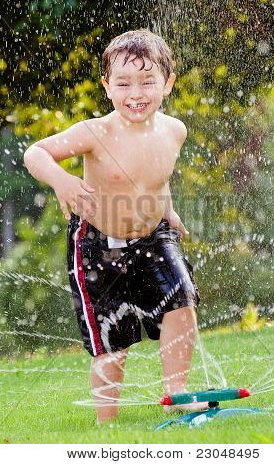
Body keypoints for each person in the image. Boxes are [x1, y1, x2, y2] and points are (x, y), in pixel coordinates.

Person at [24, 28, 208, 424]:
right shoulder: (97, 132)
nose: (135, 93)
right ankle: (106, 424)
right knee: (112, 338)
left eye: (147, 81)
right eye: (123, 83)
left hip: (154, 235)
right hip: (96, 244)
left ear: (168, 83)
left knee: (182, 299)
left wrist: (169, 211)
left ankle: (177, 392)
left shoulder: (174, 131)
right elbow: (35, 152)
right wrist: (63, 181)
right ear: (107, 87)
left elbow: (158, 177)